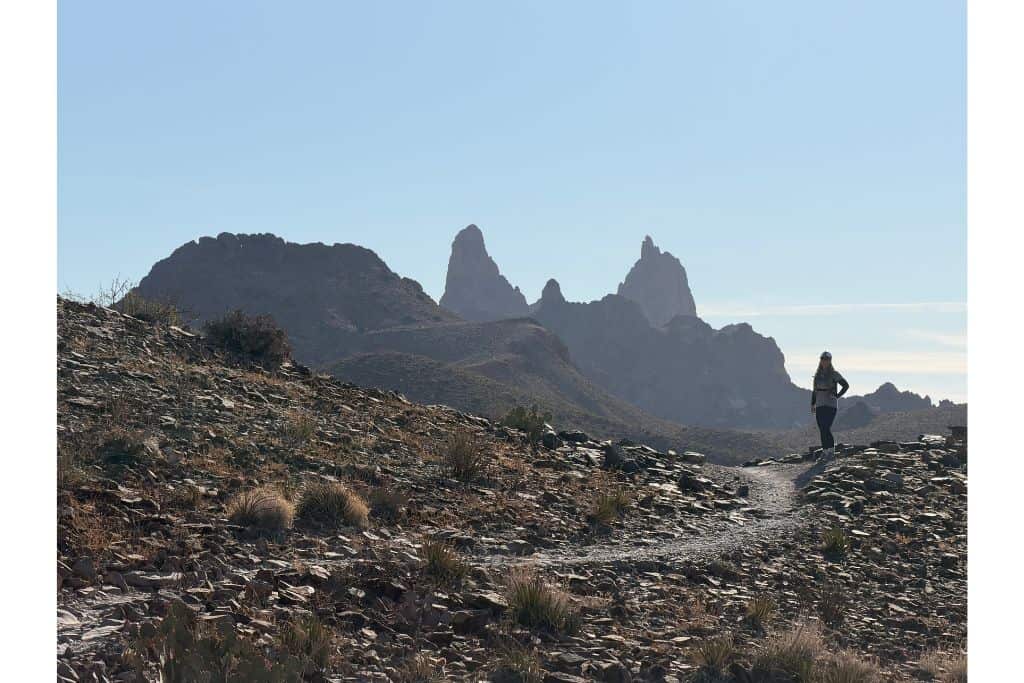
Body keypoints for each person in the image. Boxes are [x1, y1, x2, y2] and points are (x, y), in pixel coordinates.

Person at [811, 351, 849, 461]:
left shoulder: (834, 374)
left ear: (830, 360)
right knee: (822, 429)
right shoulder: (817, 375)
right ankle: (825, 452)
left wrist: (837, 396)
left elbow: (845, 385)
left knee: (826, 427)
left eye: (827, 359)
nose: (824, 361)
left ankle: (831, 452)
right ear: (820, 360)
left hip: (830, 405)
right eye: (823, 359)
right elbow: (814, 391)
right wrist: (812, 404)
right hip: (819, 404)